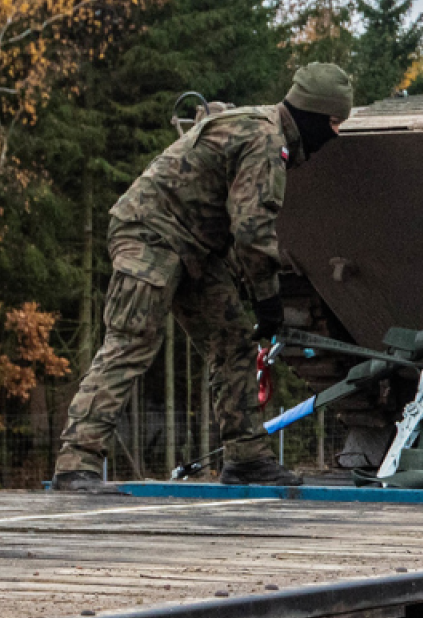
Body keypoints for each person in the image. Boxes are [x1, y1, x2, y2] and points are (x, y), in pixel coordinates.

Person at [50, 64, 354, 493]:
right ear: (316, 116)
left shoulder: (261, 126)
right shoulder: (266, 140)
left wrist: (253, 296)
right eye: (335, 123)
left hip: (193, 247)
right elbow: (251, 232)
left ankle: (247, 458)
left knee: (232, 342)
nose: (337, 134)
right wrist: (268, 300)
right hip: (150, 233)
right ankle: (76, 463)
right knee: (131, 341)